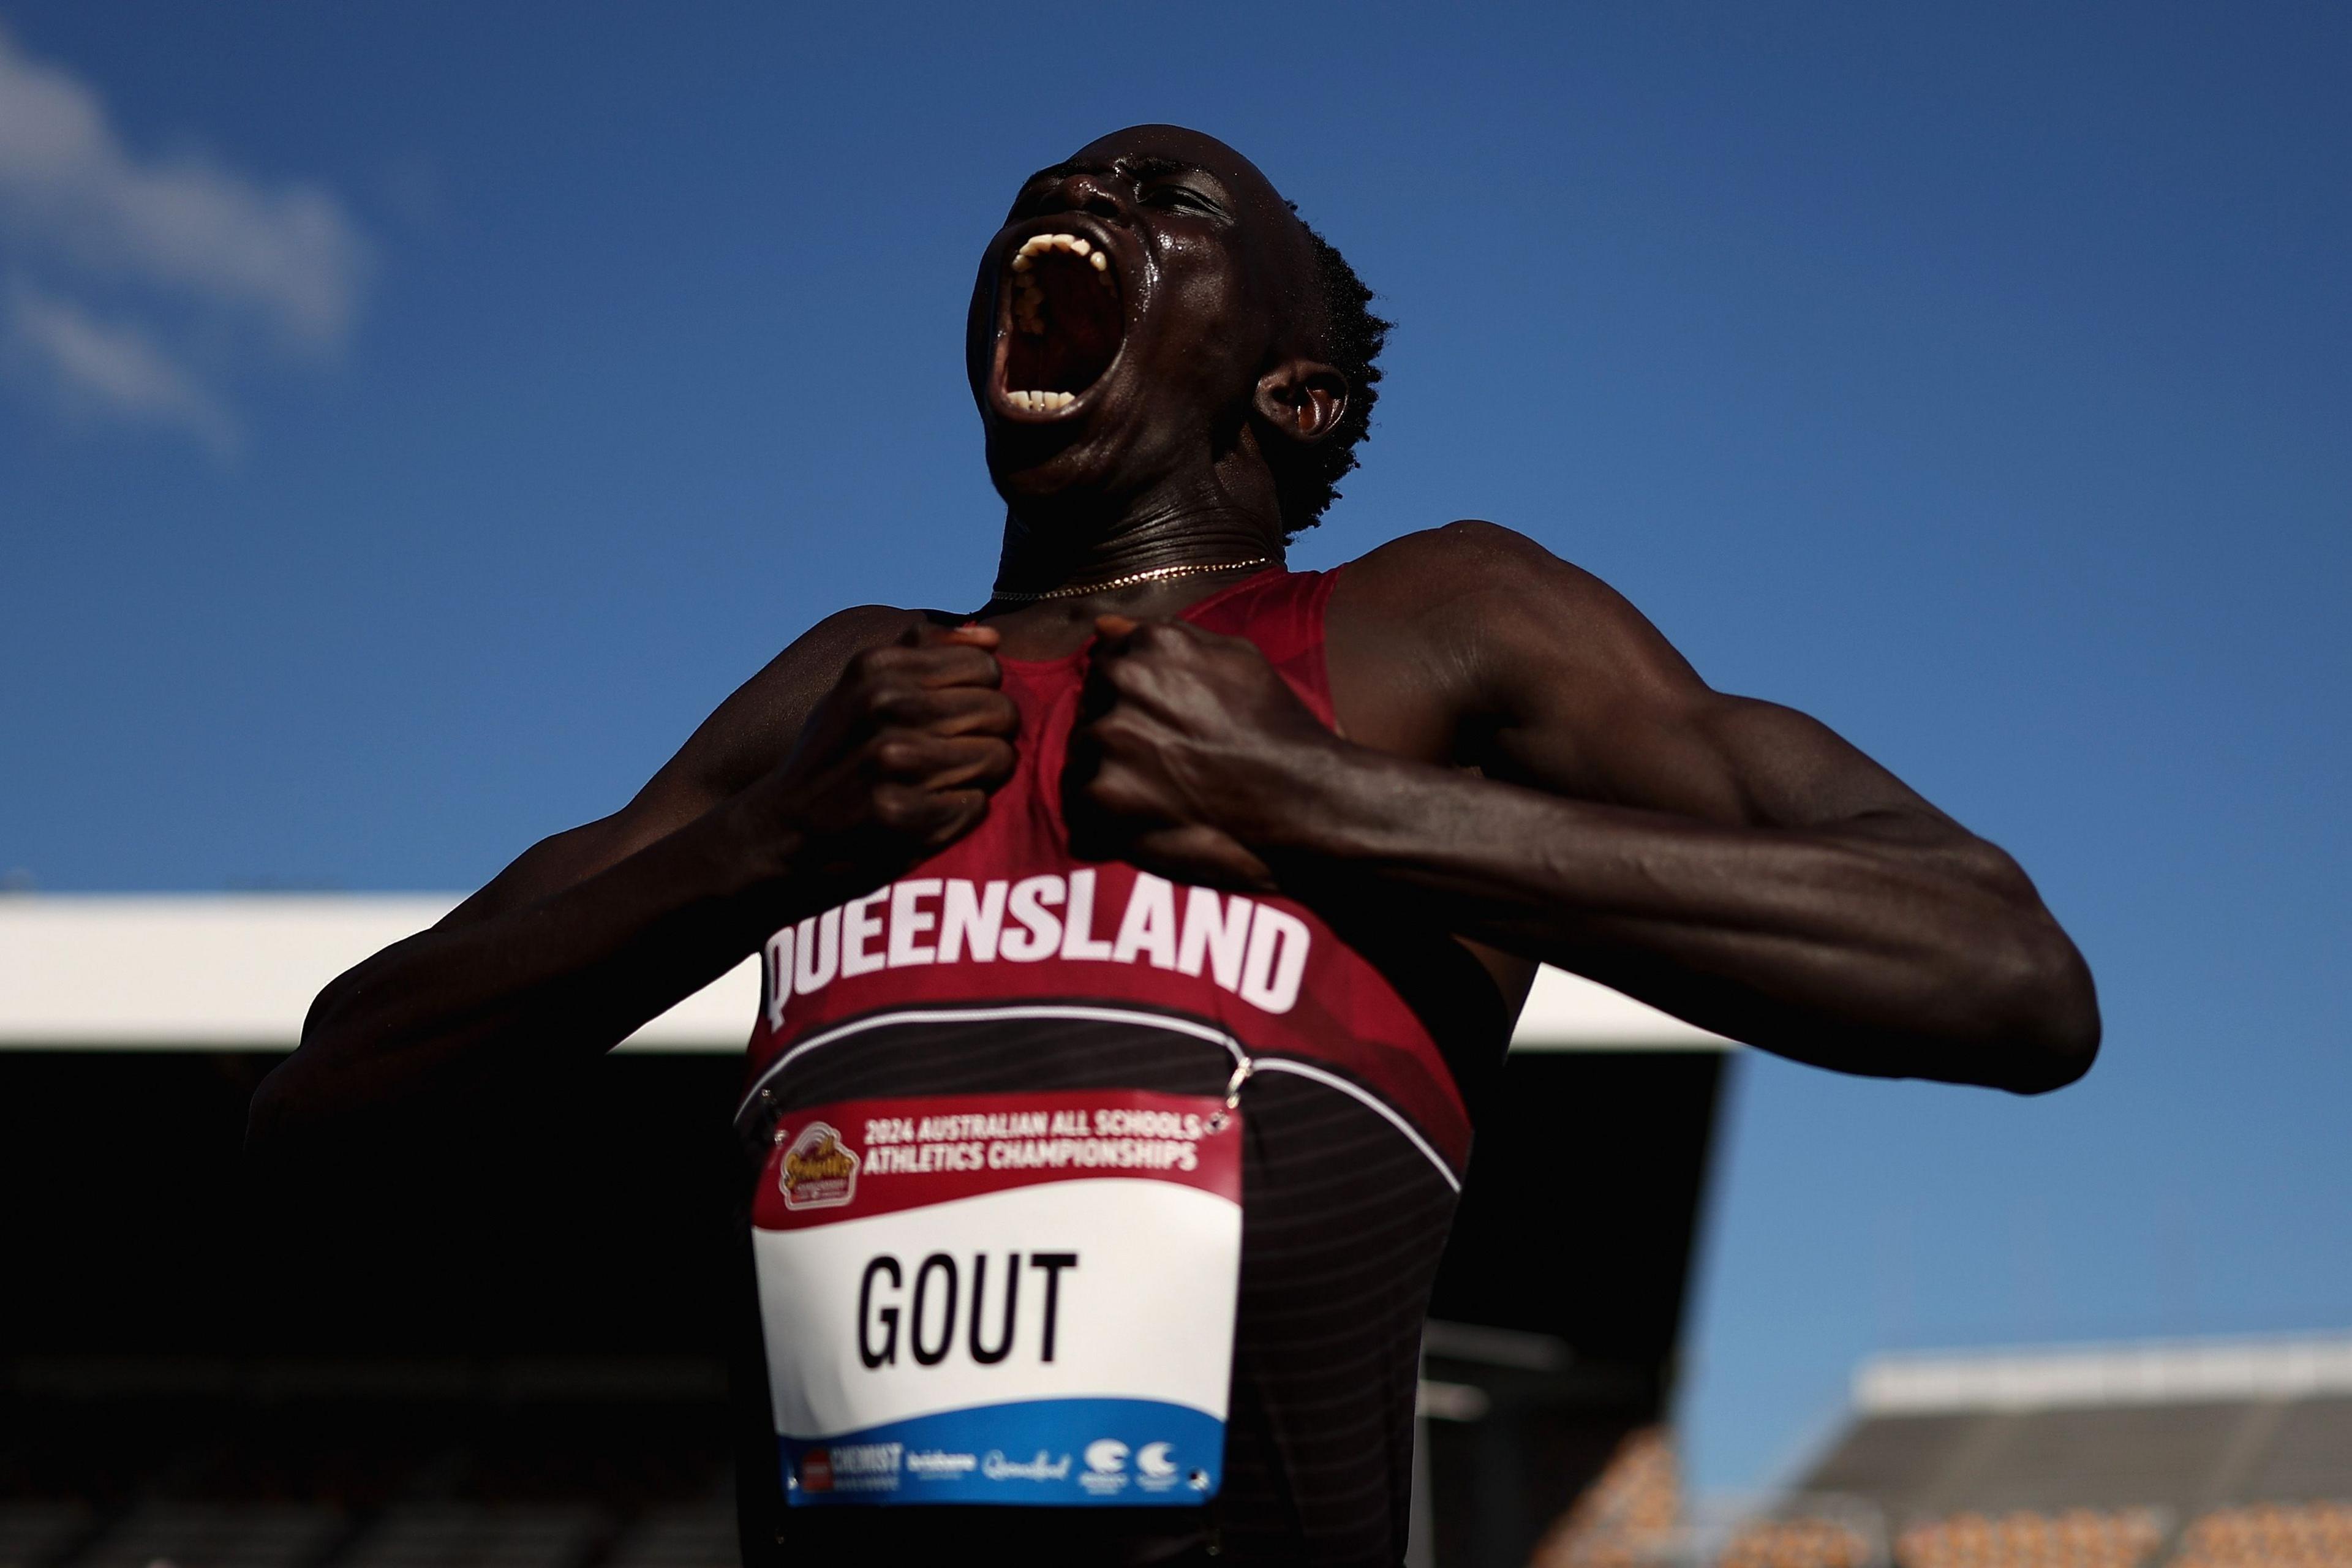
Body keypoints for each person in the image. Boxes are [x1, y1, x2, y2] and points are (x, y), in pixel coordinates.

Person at [250, 124, 2098, 1567]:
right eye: (1053, 187)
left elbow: (2000, 968)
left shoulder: (1431, 627)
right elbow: (330, 1090)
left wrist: (1328, 806)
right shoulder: (844, 695)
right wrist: (756, 849)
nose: (1072, 191)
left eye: (1166, 191)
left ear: (1290, 392)